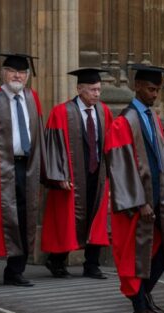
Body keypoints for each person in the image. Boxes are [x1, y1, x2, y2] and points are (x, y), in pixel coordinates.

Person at [104, 64, 164, 313]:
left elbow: (162, 160)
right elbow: (119, 169)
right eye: (151, 89)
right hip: (136, 202)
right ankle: (139, 307)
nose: (155, 95)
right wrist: (140, 203)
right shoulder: (122, 122)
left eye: (158, 90)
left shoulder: (153, 118)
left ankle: (143, 293)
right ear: (137, 86)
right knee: (135, 255)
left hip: (160, 197)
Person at [0, 53, 44, 287]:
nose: (17, 76)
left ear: (27, 76)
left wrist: (43, 167)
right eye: (13, 71)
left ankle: (15, 271)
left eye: (22, 72)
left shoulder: (33, 99)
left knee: (25, 217)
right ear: (3, 73)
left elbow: (39, 136)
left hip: (28, 166)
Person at [41, 68, 113, 279]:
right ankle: (57, 261)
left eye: (99, 89)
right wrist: (59, 175)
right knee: (67, 219)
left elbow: (108, 144)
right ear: (80, 89)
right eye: (92, 89)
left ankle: (92, 265)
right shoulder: (61, 112)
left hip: (97, 174)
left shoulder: (103, 111)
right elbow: (52, 147)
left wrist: (111, 174)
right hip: (71, 176)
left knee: (96, 219)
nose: (97, 94)